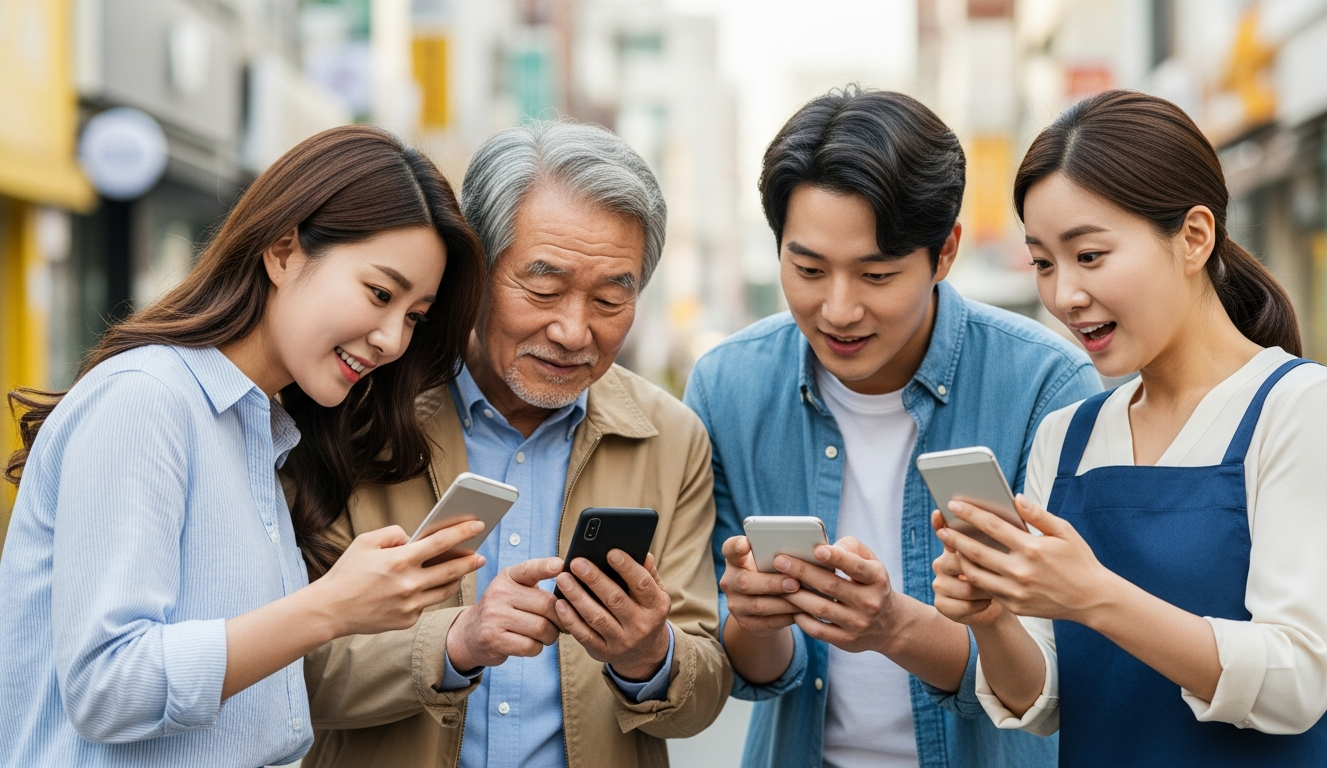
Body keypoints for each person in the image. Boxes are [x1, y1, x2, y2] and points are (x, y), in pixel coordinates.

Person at [0, 126, 487, 767]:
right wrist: (330, 608)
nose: (393, 340)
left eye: (415, 316)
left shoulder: (263, 432)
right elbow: (107, 686)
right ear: (284, 251)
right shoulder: (147, 400)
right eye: (379, 293)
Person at [930, 90, 1327, 767]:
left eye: (1090, 255)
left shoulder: (1304, 408)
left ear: (1194, 237)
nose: (1064, 296)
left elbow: (1298, 680)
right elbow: (1046, 700)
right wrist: (994, 616)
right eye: (1045, 263)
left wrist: (1093, 596)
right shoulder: (1066, 437)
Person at [685, 86, 1098, 768]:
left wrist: (892, 627)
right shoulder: (729, 386)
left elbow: (1053, 676)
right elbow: (752, 672)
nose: (838, 309)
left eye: (876, 274)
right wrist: (756, 623)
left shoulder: (1046, 386)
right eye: (808, 269)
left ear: (944, 254)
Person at [300, 120, 731, 768]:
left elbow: (704, 685)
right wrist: (456, 641)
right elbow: (293, 674)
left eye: (612, 298)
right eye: (544, 288)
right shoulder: (357, 413)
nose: (572, 330)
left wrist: (652, 656)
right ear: (472, 269)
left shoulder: (671, 440)